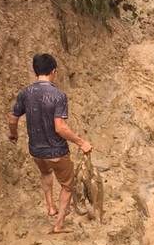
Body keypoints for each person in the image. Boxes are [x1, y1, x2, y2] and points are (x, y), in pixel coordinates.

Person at [8, 53, 92, 233]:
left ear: (35, 71)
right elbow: (60, 128)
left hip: (36, 151)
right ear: (53, 71)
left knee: (45, 173)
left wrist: (13, 135)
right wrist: (81, 142)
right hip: (56, 152)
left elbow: (13, 119)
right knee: (67, 186)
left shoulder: (25, 93)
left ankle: (50, 206)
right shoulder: (58, 95)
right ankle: (59, 224)